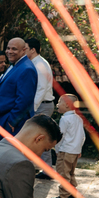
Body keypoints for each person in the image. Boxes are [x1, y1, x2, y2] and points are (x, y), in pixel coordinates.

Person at [0, 37, 37, 141]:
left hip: (13, 125)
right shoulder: (15, 65)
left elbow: (25, 100)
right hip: (3, 121)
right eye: (8, 48)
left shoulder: (27, 69)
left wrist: (12, 121)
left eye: (14, 49)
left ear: (23, 50)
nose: (9, 51)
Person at [27, 37, 57, 173]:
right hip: (42, 104)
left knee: (40, 137)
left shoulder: (39, 64)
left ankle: (46, 170)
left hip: (42, 105)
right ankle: (45, 169)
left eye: (25, 48)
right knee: (38, 137)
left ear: (32, 50)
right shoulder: (36, 62)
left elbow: (41, 88)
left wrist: (33, 108)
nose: (23, 51)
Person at [54, 94, 86, 198]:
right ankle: (72, 192)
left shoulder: (65, 119)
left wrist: (57, 149)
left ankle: (64, 196)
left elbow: (60, 136)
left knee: (63, 173)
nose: (57, 104)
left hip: (65, 150)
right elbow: (82, 136)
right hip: (74, 151)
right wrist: (79, 149)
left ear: (67, 105)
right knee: (70, 172)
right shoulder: (78, 119)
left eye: (59, 102)